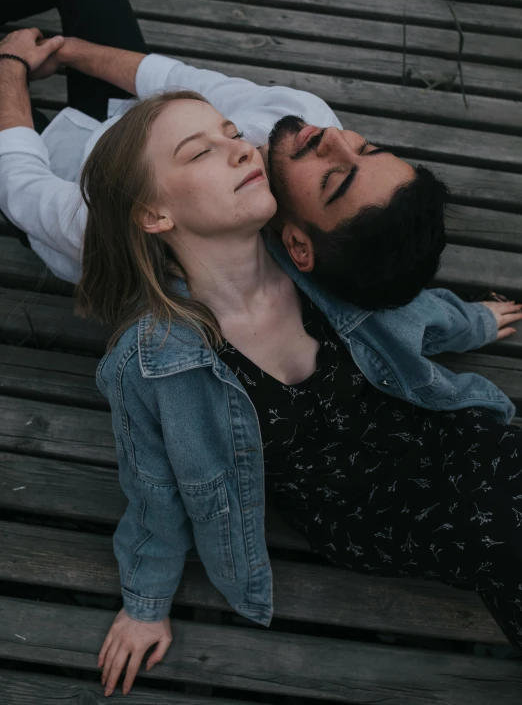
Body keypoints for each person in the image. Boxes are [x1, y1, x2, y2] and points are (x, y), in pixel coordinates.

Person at [75, 90, 522, 698]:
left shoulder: (307, 262)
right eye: (201, 151)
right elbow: (152, 489)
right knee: (495, 531)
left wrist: (474, 322)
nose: (238, 150)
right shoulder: (153, 364)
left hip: (442, 427)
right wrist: (145, 605)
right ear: (155, 214)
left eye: (232, 133)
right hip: (362, 510)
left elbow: (405, 308)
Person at [0, 0, 448, 311]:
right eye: (365, 147)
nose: (333, 138)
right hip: (134, 120)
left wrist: (12, 69)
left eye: (332, 179)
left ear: (296, 243)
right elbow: (177, 78)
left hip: (60, 178)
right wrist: (63, 51)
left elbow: (23, 190)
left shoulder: (165, 233)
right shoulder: (301, 120)